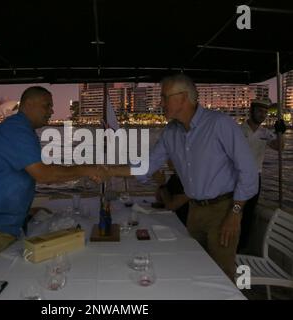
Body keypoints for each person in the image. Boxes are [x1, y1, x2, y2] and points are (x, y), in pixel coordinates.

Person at [106, 74, 258, 281]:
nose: (160, 103)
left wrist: (236, 213)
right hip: (195, 211)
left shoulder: (220, 124)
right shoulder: (171, 132)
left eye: (164, 97)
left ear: (183, 97)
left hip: (223, 210)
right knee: (194, 267)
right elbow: (146, 167)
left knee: (223, 274)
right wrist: (107, 170)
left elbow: (248, 172)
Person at [0, 86, 107, 265]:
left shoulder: (21, 129)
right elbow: (43, 174)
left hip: (4, 223)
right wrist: (86, 169)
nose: (52, 111)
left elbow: (27, 172)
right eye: (47, 105)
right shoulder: (16, 130)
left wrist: (26, 212)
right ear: (28, 104)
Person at [238, 98, 286, 252]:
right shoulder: (238, 130)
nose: (263, 114)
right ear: (252, 111)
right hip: (236, 178)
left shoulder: (266, 133)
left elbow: (279, 147)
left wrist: (281, 132)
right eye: (260, 111)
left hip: (255, 178)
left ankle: (241, 248)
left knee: (248, 214)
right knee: (233, 211)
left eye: (265, 112)